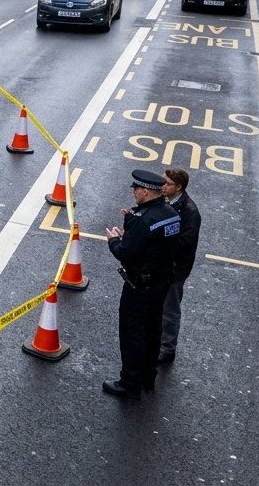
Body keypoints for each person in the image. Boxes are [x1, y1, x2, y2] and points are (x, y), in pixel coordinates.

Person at [103, 169, 181, 399]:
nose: (134, 193)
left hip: (140, 286)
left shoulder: (144, 219)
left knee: (132, 334)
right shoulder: (171, 214)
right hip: (161, 283)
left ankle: (129, 383)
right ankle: (148, 377)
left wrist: (114, 240)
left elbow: (127, 253)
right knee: (152, 331)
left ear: (145, 192)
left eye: (136, 189)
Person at [158, 168, 201, 363]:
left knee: (170, 309)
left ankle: (167, 348)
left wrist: (157, 242)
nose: (162, 186)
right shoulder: (166, 200)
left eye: (166, 183)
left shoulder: (190, 211)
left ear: (179, 187)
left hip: (175, 270)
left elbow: (186, 242)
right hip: (162, 266)